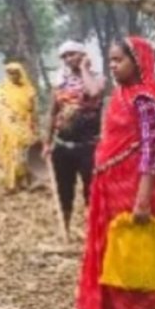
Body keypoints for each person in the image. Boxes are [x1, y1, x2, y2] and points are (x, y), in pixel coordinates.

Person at [76, 37, 155, 309]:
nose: (113, 65)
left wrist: (143, 199)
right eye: (111, 60)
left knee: (134, 252)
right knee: (110, 250)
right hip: (110, 186)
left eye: (119, 60)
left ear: (139, 61)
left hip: (135, 189)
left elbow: (152, 152)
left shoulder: (147, 101)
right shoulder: (121, 95)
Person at [43, 40, 106, 239]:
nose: (69, 59)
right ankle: (66, 231)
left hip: (89, 146)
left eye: (73, 54)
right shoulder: (60, 83)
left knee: (91, 190)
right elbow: (52, 114)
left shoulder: (97, 78)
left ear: (82, 55)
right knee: (64, 190)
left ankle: (93, 233)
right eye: (65, 56)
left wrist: (84, 68)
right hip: (63, 146)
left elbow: (94, 93)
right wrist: (47, 142)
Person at [0, 61, 38, 193]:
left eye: (15, 73)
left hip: (24, 127)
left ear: (21, 74)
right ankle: (11, 184)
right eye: (9, 73)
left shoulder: (29, 90)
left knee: (23, 155)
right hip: (6, 128)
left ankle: (24, 181)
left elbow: (33, 111)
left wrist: (35, 127)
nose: (12, 75)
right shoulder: (1, 90)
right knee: (9, 155)